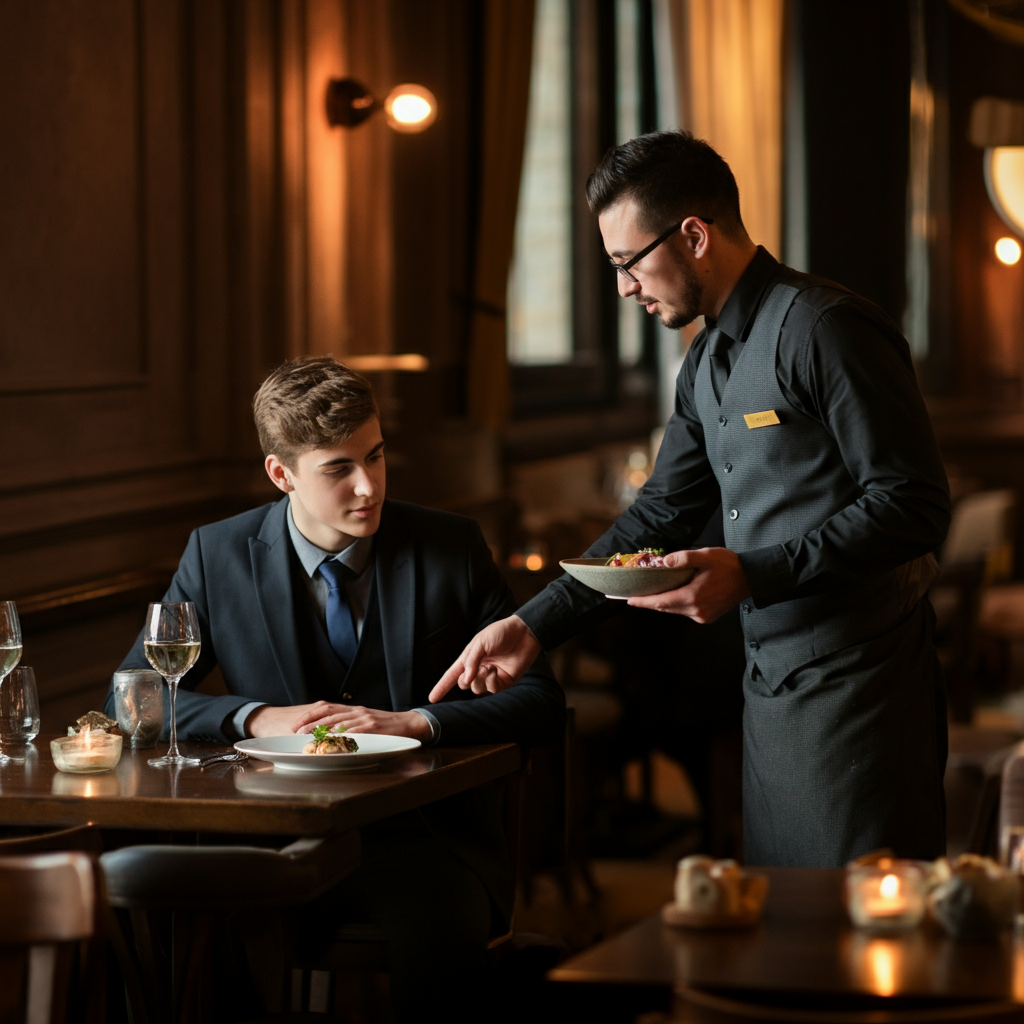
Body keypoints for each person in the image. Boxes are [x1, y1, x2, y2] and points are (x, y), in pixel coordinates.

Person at [432, 130, 951, 869]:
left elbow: (915, 504)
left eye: (627, 263)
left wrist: (755, 573)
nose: (622, 288)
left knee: (864, 936)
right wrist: (532, 625)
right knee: (785, 930)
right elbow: (657, 514)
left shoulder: (827, 327)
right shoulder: (705, 362)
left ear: (695, 236)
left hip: (865, 685)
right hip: (767, 688)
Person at [107, 355, 566, 1022]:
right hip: (270, 837)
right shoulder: (218, 554)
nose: (367, 486)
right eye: (338, 469)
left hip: (422, 840)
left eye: (375, 457)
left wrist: (416, 722)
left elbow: (542, 702)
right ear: (281, 474)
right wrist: (256, 717)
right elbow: (132, 700)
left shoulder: (451, 547)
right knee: (157, 910)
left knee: (441, 935)